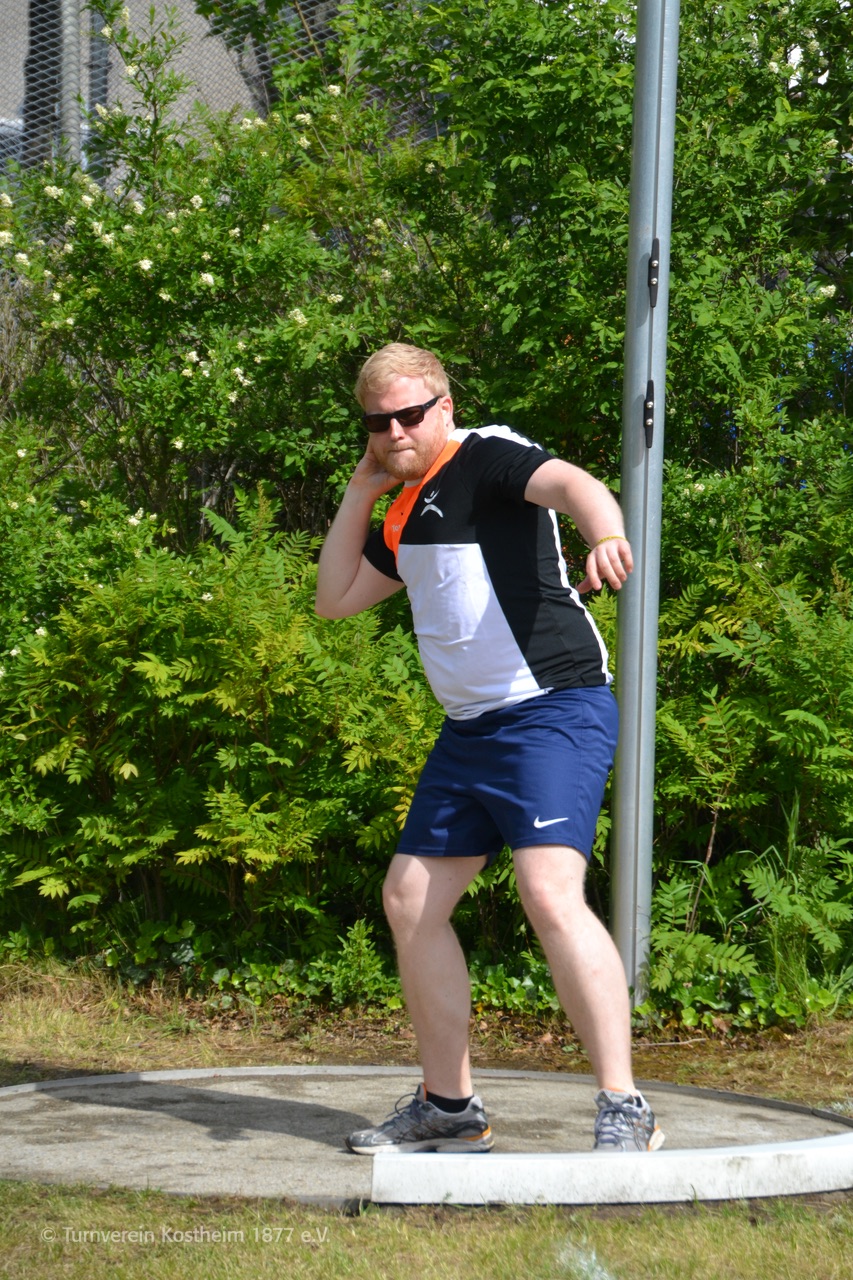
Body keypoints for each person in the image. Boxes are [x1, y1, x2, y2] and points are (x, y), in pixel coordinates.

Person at [315, 342, 663, 1155]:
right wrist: (360, 490)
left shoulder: (487, 455)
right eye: (377, 423)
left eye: (409, 416)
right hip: (469, 730)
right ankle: (449, 1107)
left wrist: (604, 533)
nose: (394, 433)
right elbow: (334, 599)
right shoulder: (400, 506)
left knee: (548, 892)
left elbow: (575, 485)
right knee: (409, 901)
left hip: (552, 710)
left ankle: (625, 1105)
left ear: (443, 407)